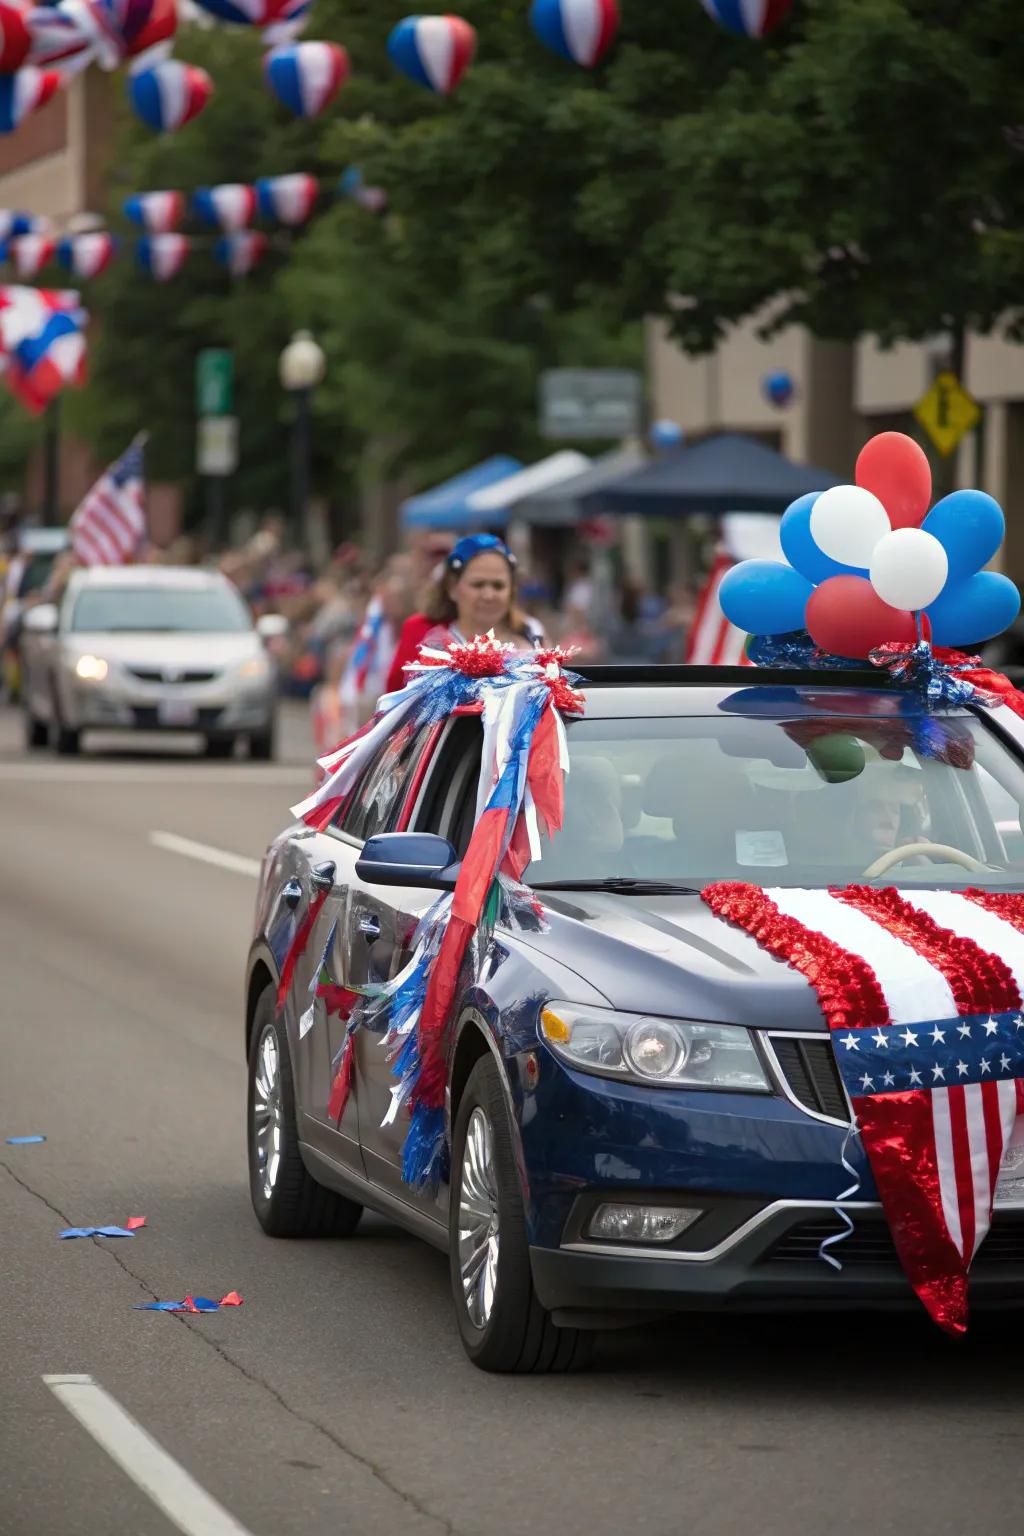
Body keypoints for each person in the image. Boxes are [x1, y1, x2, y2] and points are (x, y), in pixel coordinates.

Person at [385, 534, 543, 690]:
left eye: (498, 586)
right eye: (478, 584)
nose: (488, 595)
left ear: (512, 590)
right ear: (452, 587)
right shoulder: (424, 635)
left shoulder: (530, 633)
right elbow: (398, 700)